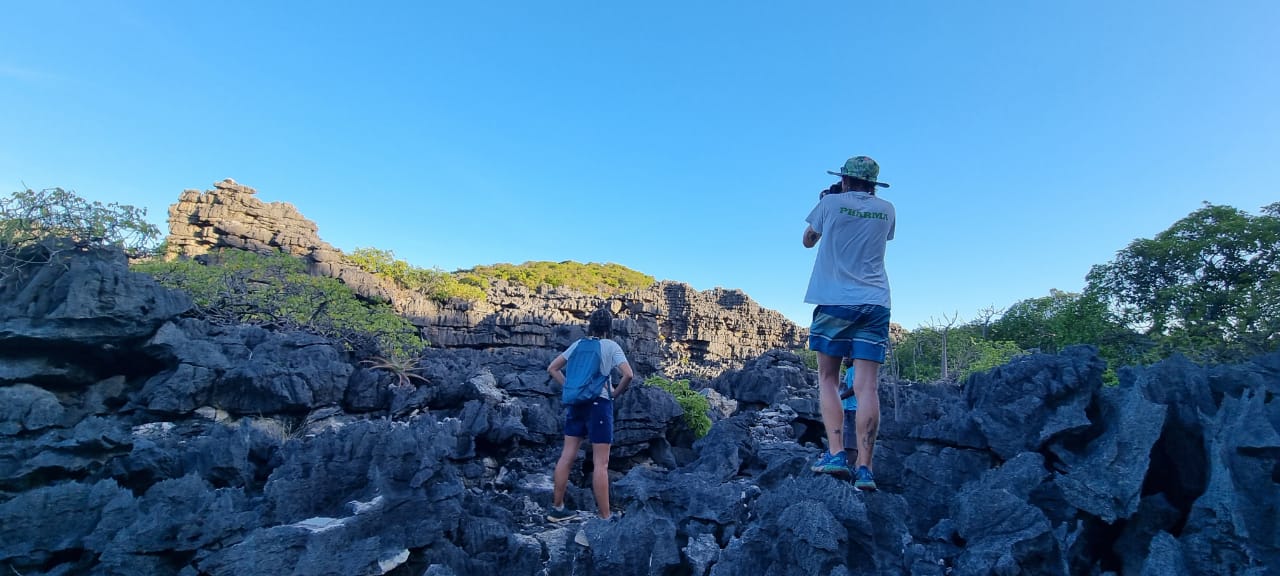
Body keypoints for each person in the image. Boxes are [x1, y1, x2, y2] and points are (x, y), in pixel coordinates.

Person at [802, 155, 895, 491]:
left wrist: (824, 204)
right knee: (867, 386)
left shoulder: (830, 204)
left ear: (844, 180)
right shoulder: (887, 210)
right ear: (873, 184)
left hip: (835, 301)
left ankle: (837, 454)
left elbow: (807, 240)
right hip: (875, 302)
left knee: (828, 377)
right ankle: (866, 470)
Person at [545, 307, 633, 522]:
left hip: (576, 404)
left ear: (591, 325)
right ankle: (605, 517)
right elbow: (628, 375)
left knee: (567, 455)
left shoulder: (578, 345)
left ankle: (557, 508)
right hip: (599, 405)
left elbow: (552, 368)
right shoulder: (611, 346)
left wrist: (570, 389)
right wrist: (614, 393)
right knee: (601, 463)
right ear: (609, 327)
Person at [840, 358, 859, 466]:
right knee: (846, 442)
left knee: (850, 445)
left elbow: (855, 388)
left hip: (853, 411)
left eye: (848, 356)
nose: (844, 358)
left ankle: (850, 469)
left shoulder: (855, 370)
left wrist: (839, 398)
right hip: (847, 410)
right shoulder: (849, 371)